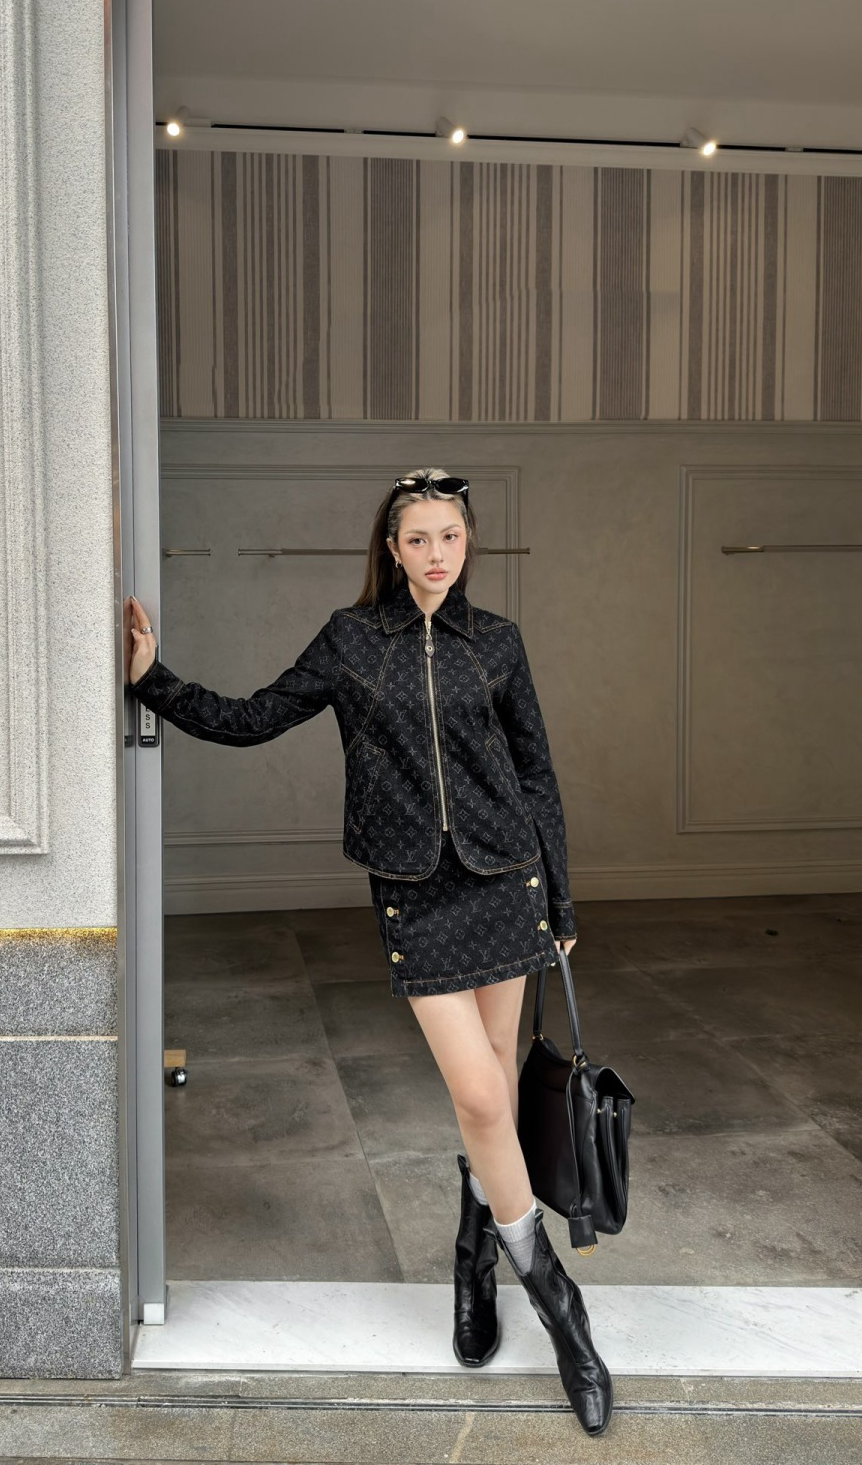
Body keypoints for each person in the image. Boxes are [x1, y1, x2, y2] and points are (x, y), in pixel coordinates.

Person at [126, 466, 612, 1438]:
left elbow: (538, 776)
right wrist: (153, 680)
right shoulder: (352, 641)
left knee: (494, 1095)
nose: (436, 554)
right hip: (417, 894)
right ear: (390, 548)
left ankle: (474, 1256)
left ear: (468, 543)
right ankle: (562, 1305)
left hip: (506, 882)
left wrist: (559, 896)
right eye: (418, 538)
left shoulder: (498, 642)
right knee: (482, 1100)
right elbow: (255, 716)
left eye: (450, 536)